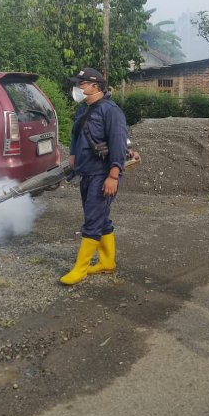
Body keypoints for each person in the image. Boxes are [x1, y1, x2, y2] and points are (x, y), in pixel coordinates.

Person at [60, 67, 129, 286]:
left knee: (92, 220)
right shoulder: (83, 109)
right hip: (86, 172)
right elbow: (75, 134)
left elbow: (118, 142)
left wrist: (114, 175)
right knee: (101, 218)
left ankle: (79, 270)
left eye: (81, 85)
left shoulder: (111, 111)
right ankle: (107, 263)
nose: (77, 88)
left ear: (94, 86)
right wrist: (72, 155)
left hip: (103, 174)